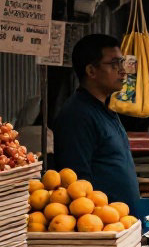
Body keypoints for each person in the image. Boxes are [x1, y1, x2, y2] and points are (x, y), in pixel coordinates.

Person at [51, 34, 140, 217]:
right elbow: (77, 183)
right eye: (114, 64)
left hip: (122, 225)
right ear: (91, 71)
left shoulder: (105, 109)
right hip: (100, 227)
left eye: (122, 62)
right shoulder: (77, 116)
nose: (122, 71)